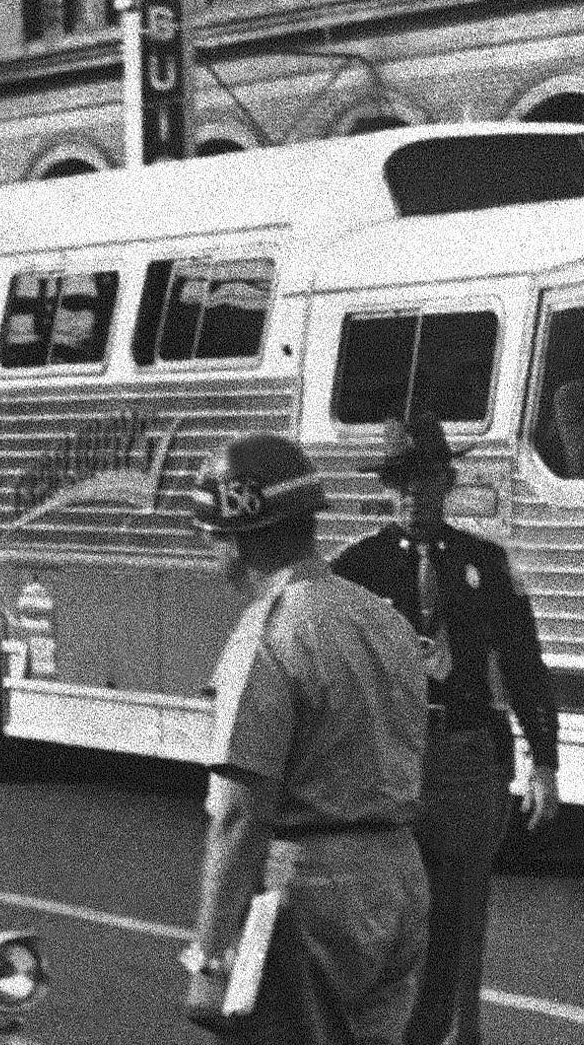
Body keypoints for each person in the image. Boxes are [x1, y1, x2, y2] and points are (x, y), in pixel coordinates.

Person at [181, 433, 434, 1044]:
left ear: (236, 539)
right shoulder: (381, 617)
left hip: (310, 887)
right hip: (398, 874)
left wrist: (212, 956)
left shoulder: (268, 635)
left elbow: (240, 813)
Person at [332, 415, 562, 1045]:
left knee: (460, 923)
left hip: (465, 759)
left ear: (448, 481)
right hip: (387, 762)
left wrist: (544, 763)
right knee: (388, 919)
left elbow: (523, 664)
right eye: (401, 483)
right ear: (386, 489)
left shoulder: (483, 563)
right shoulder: (357, 569)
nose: (415, 495)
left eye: (427, 479)